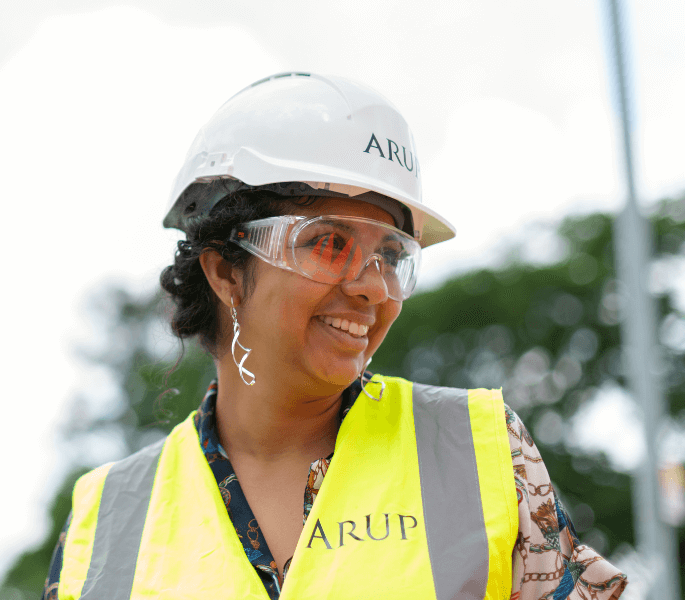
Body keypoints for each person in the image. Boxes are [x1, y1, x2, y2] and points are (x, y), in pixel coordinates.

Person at [42, 73, 628, 600]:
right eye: (328, 243)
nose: (375, 287)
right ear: (225, 272)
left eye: (392, 255)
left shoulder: (479, 454)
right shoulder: (107, 522)